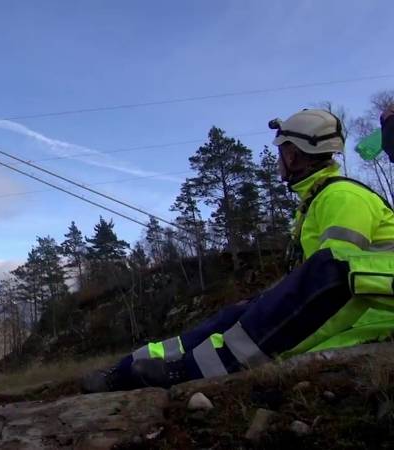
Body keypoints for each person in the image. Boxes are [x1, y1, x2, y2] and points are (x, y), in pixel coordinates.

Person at [82, 109, 394, 392]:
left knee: (292, 290)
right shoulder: (318, 199)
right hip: (356, 306)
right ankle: (123, 370)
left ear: (295, 155)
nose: (277, 161)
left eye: (281, 151)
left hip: (375, 316)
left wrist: (280, 341)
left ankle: (190, 370)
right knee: (236, 313)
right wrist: (262, 305)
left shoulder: (343, 197)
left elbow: (332, 291)